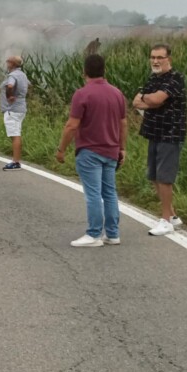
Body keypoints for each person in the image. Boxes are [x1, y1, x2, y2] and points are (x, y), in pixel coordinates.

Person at [56, 54, 127, 247]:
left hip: (89, 150)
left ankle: (94, 234)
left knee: (93, 194)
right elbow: (123, 123)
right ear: (104, 70)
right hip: (111, 150)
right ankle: (112, 233)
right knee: (110, 193)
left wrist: (61, 149)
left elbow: (71, 125)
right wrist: (122, 148)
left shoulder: (82, 94)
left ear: (84, 72)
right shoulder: (117, 93)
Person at [132, 43, 187, 236]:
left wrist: (150, 100)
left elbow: (153, 100)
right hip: (153, 133)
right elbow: (136, 101)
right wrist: (152, 100)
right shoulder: (153, 79)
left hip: (169, 134)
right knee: (153, 175)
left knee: (165, 178)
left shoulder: (176, 79)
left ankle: (165, 221)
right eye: (153, 57)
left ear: (168, 59)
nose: (155, 61)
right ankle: (172, 215)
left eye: (160, 57)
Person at [0, 55, 30, 171]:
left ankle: (16, 162)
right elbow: (29, 85)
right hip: (21, 108)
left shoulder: (12, 75)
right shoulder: (22, 75)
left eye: (8, 62)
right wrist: (21, 96)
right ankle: (16, 160)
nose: (6, 64)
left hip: (12, 109)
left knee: (15, 135)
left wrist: (10, 95)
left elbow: (10, 85)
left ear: (12, 64)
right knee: (16, 133)